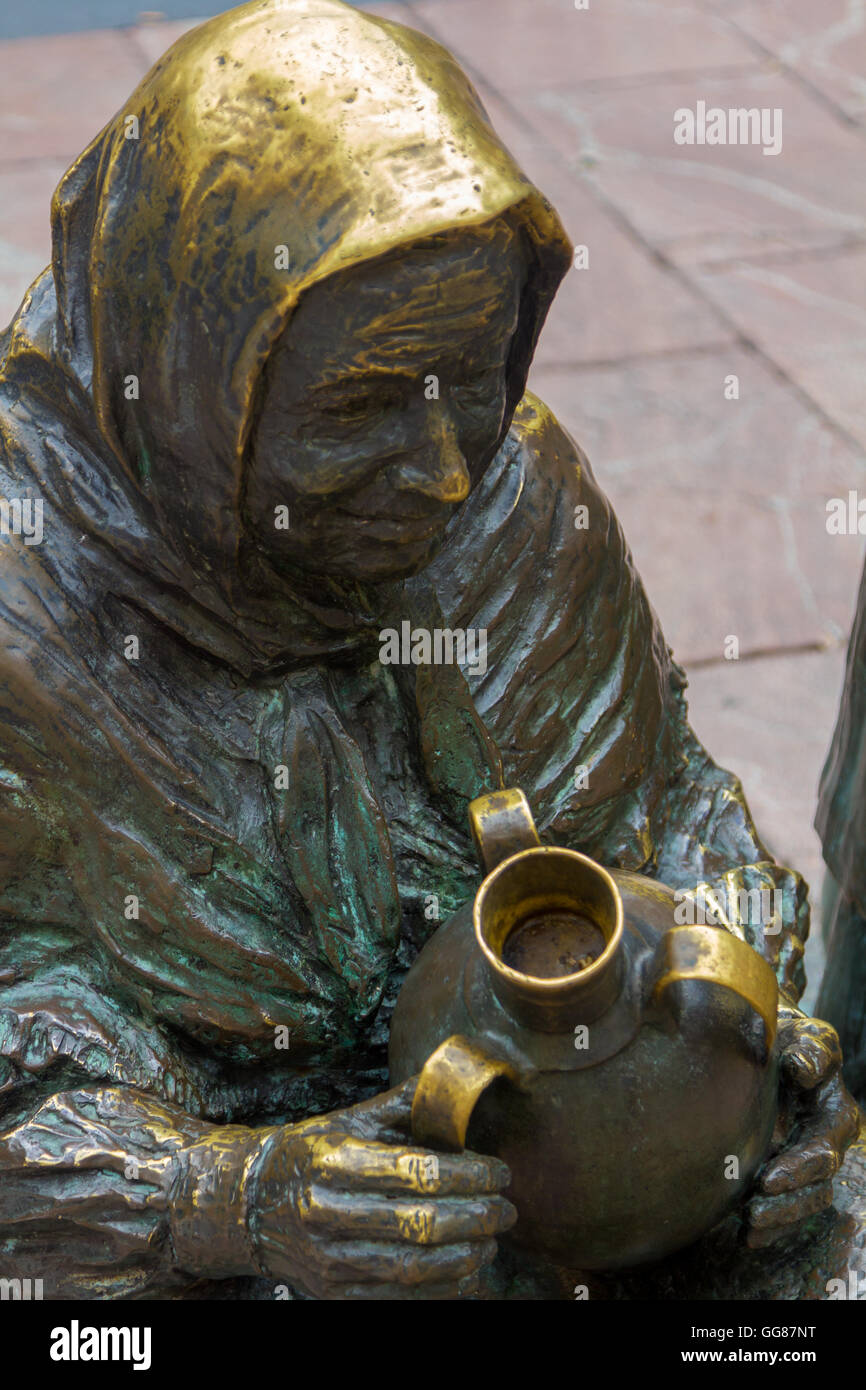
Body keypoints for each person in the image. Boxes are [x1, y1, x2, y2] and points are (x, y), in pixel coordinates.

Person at [0, 0, 856, 1299]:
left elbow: (673, 816)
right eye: (358, 409)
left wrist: (757, 1042)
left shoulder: (513, 497)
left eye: (475, 376)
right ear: (193, 380)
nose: (446, 469)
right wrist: (222, 1198)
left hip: (560, 1182)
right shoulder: (27, 619)